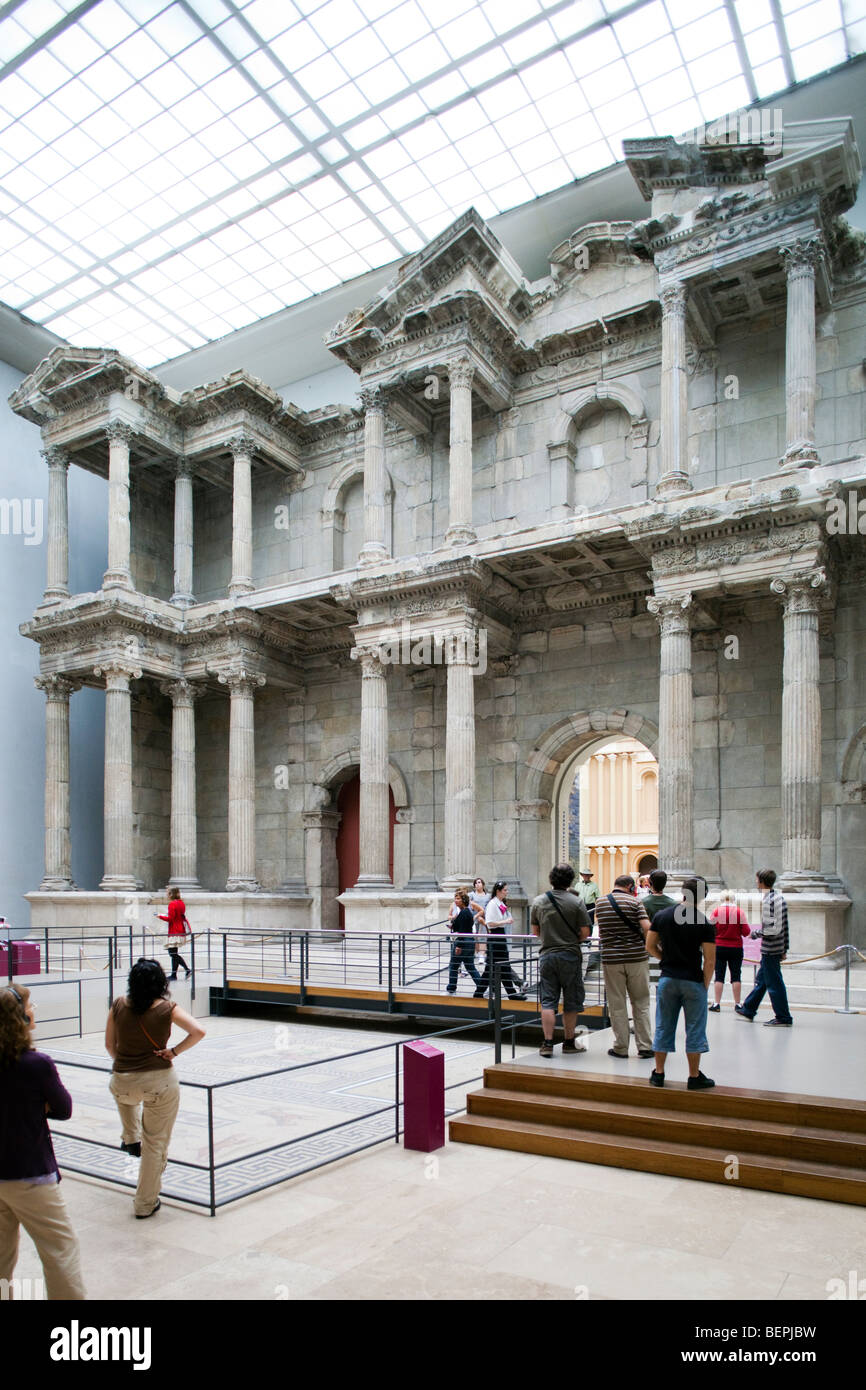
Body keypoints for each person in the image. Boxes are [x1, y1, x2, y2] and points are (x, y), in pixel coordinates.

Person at [0, 984, 85, 1300]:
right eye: (30, 1006)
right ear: (18, 1017)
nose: (34, 1011)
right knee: (60, 1248)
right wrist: (35, 1104)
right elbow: (63, 1109)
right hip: (30, 1175)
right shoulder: (36, 1065)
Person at [105, 959, 205, 1218]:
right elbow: (198, 1031)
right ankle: (144, 1203)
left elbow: (109, 1047)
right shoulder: (167, 1008)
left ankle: (130, 1137)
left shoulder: (118, 1004)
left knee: (126, 1097)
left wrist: (126, 1062)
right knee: (155, 1144)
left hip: (122, 1080)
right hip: (159, 1081)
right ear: (160, 982)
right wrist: (173, 1051)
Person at [646, 877, 716, 1089]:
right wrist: (704, 984)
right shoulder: (704, 922)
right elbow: (710, 960)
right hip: (692, 979)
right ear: (703, 897)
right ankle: (694, 1076)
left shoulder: (663, 916)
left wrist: (665, 959)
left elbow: (649, 945)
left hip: (668, 978)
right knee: (695, 1028)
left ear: (683, 893)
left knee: (663, 1025)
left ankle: (658, 1073)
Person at [530, 864, 592, 1058]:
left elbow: (536, 931)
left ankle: (547, 1043)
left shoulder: (538, 901)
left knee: (548, 1001)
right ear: (570, 880)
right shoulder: (576, 902)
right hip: (570, 956)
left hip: (547, 955)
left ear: (551, 879)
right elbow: (585, 933)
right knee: (571, 1001)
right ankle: (568, 1042)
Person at [594, 874, 654, 1059]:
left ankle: (620, 1047)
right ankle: (644, 1047)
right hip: (636, 957)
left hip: (611, 959)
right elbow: (646, 927)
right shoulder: (635, 902)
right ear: (629, 886)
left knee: (617, 1004)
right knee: (641, 1002)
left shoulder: (600, 902)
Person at [736, 870, 793, 1026]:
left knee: (774, 984)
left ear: (761, 881)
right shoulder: (779, 898)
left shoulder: (770, 901)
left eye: (757, 880)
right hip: (776, 948)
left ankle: (783, 1017)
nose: (756, 883)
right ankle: (748, 1008)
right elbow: (785, 928)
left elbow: (771, 929)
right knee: (762, 981)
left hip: (770, 949)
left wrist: (755, 934)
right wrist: (784, 949)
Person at [474, 882, 526, 1001]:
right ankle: (480, 992)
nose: (506, 892)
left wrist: (506, 921)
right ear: (498, 891)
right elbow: (490, 923)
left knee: (503, 967)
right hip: (495, 937)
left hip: (500, 936)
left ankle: (511, 994)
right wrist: (506, 921)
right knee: (494, 967)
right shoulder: (493, 904)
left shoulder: (500, 903)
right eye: (505, 890)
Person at [709, 891, 750, 1010]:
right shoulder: (739, 912)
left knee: (719, 975)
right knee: (736, 975)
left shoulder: (716, 911)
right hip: (736, 947)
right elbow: (746, 932)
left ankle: (716, 1003)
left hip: (719, 946)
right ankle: (737, 1003)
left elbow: (711, 929)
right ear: (733, 899)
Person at [446, 891, 483, 994]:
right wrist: (454, 923)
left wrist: (459, 946)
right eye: (455, 898)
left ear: (464, 900)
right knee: (470, 966)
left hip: (463, 942)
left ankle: (451, 987)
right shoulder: (467, 912)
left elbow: (462, 931)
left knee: (453, 965)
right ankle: (481, 986)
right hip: (470, 941)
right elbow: (464, 927)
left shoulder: (463, 912)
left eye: (458, 899)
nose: (456, 901)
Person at [157, 887, 191, 981]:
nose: (166, 895)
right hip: (180, 929)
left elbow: (170, 919)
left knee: (172, 953)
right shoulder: (181, 903)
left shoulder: (172, 904)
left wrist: (159, 916)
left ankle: (187, 969)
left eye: (167, 893)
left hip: (174, 931)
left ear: (171, 894)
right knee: (174, 953)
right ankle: (173, 975)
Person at [468, 878, 490, 966]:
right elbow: (468, 905)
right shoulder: (471, 895)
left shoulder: (488, 896)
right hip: (474, 918)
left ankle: (481, 956)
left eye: (479, 882)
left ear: (483, 885)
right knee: (474, 937)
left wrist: (484, 915)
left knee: (483, 937)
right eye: (476, 883)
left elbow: (488, 907)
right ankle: (477, 952)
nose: (477, 884)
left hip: (483, 918)